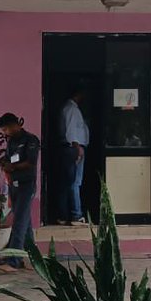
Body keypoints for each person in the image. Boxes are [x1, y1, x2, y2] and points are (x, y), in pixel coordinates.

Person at [0, 112, 40, 271]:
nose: (5, 133)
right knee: (24, 223)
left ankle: (14, 260)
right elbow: (9, 158)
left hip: (27, 185)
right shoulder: (11, 141)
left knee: (19, 221)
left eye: (6, 129)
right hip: (14, 184)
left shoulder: (31, 140)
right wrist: (4, 163)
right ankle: (31, 257)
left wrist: (13, 167)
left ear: (15, 125)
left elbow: (31, 162)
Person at [57, 86, 89, 224]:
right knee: (74, 182)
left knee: (67, 182)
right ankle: (76, 214)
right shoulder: (72, 109)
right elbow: (71, 131)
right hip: (73, 148)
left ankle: (63, 216)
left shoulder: (69, 108)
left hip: (70, 148)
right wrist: (77, 148)